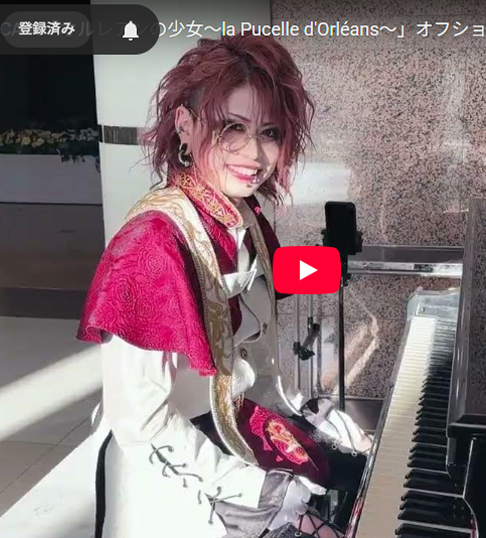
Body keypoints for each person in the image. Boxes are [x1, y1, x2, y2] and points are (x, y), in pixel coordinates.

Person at [76, 34, 373, 538]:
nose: (254, 154)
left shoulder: (243, 215)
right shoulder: (149, 248)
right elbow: (140, 424)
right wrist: (259, 492)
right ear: (185, 126)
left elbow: (256, 352)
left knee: (357, 475)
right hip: (177, 475)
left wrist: (306, 416)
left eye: (269, 132)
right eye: (231, 127)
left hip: (234, 430)